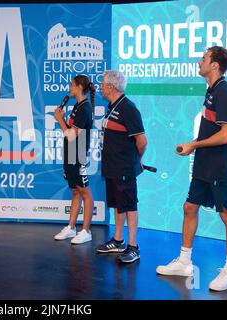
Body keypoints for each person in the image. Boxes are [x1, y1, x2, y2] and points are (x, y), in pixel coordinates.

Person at [156, 46, 227, 292]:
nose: (199, 61)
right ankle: (184, 261)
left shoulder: (225, 92)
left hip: (222, 167)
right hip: (205, 164)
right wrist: (196, 147)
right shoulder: (212, 91)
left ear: (214, 65)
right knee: (189, 207)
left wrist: (194, 144)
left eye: (204, 58)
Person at [96, 70, 148, 263]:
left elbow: (142, 141)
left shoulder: (128, 108)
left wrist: (135, 159)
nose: (100, 86)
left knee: (129, 205)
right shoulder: (112, 106)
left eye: (102, 83)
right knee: (118, 204)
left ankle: (133, 246)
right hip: (112, 166)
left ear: (111, 86)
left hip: (124, 167)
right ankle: (118, 240)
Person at [53, 75, 95, 244]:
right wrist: (63, 118)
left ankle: (86, 230)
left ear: (79, 86)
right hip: (70, 152)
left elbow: (71, 135)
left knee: (85, 191)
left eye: (71, 85)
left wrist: (60, 120)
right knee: (75, 190)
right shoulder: (78, 105)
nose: (69, 88)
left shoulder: (85, 107)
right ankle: (71, 228)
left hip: (78, 153)